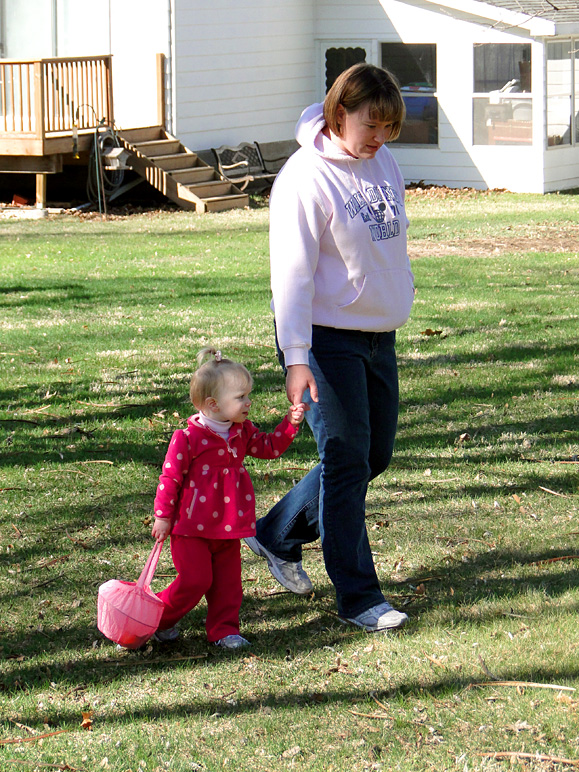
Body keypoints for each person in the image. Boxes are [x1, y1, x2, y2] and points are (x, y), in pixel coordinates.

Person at [244, 63, 414, 633]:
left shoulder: (382, 161)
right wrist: (296, 358)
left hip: (376, 335)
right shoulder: (303, 178)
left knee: (374, 457)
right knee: (346, 462)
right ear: (340, 112)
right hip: (322, 338)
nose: (381, 137)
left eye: (390, 127)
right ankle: (360, 597)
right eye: (372, 123)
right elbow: (290, 275)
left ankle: (277, 532)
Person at [151, 347, 305, 649]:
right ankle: (157, 620)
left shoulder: (241, 431)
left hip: (229, 523)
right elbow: (170, 478)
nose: (248, 402)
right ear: (213, 404)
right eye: (240, 397)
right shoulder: (187, 438)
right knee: (195, 581)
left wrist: (289, 425)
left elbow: (268, 448)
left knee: (228, 584)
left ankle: (224, 630)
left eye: (248, 395)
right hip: (190, 528)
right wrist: (163, 515)